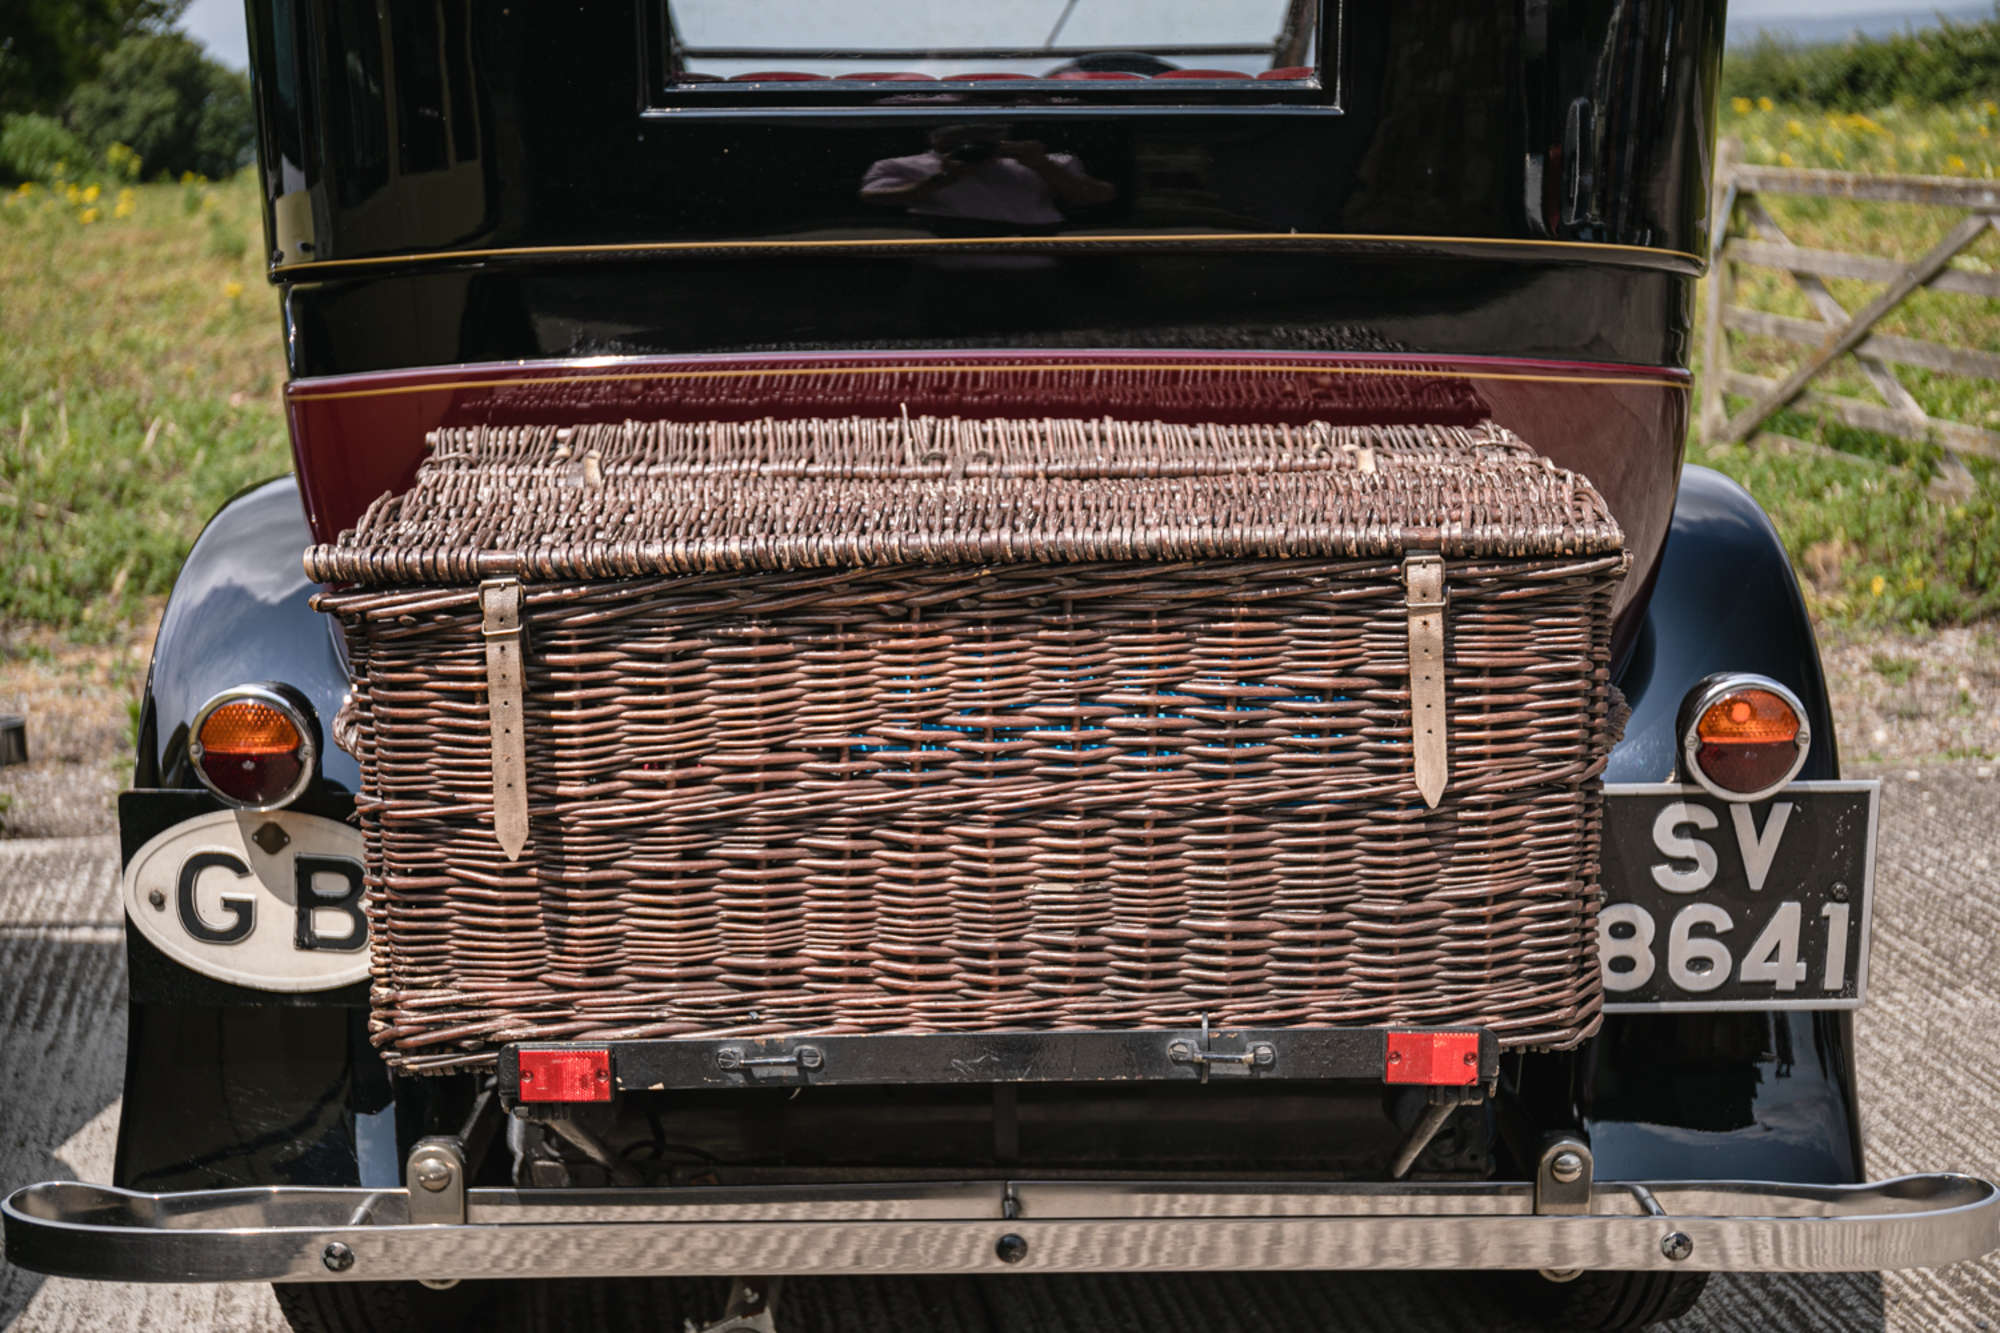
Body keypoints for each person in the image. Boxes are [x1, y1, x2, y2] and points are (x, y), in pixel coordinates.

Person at [859, 124, 1113, 229]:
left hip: (1039, 263)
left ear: (1002, 132)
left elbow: (1099, 196)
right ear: (934, 135)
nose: (971, 141)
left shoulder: (1048, 162)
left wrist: (1042, 165)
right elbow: (871, 198)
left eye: (984, 130)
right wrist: (940, 180)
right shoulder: (901, 166)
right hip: (941, 267)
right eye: (959, 131)